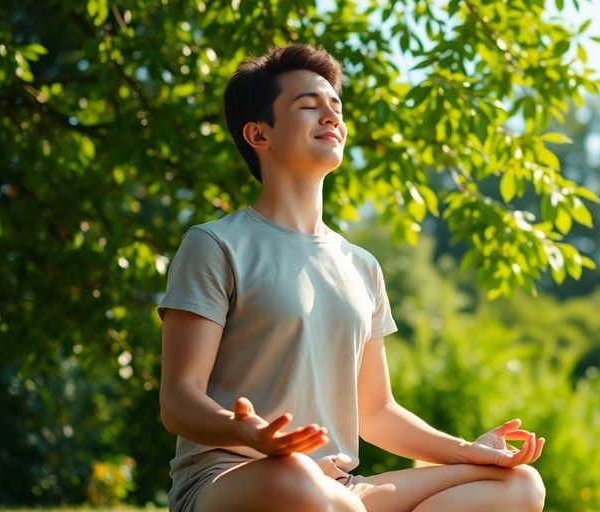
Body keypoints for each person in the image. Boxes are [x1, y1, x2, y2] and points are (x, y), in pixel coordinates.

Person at [158, 43, 546, 512]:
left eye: (335, 107)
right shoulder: (215, 244)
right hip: (231, 480)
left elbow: (377, 412)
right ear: (259, 135)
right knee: (299, 477)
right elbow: (177, 402)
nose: (331, 116)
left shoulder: (361, 266)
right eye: (308, 106)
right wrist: (242, 430)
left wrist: (467, 450)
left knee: (520, 484)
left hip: (341, 492)